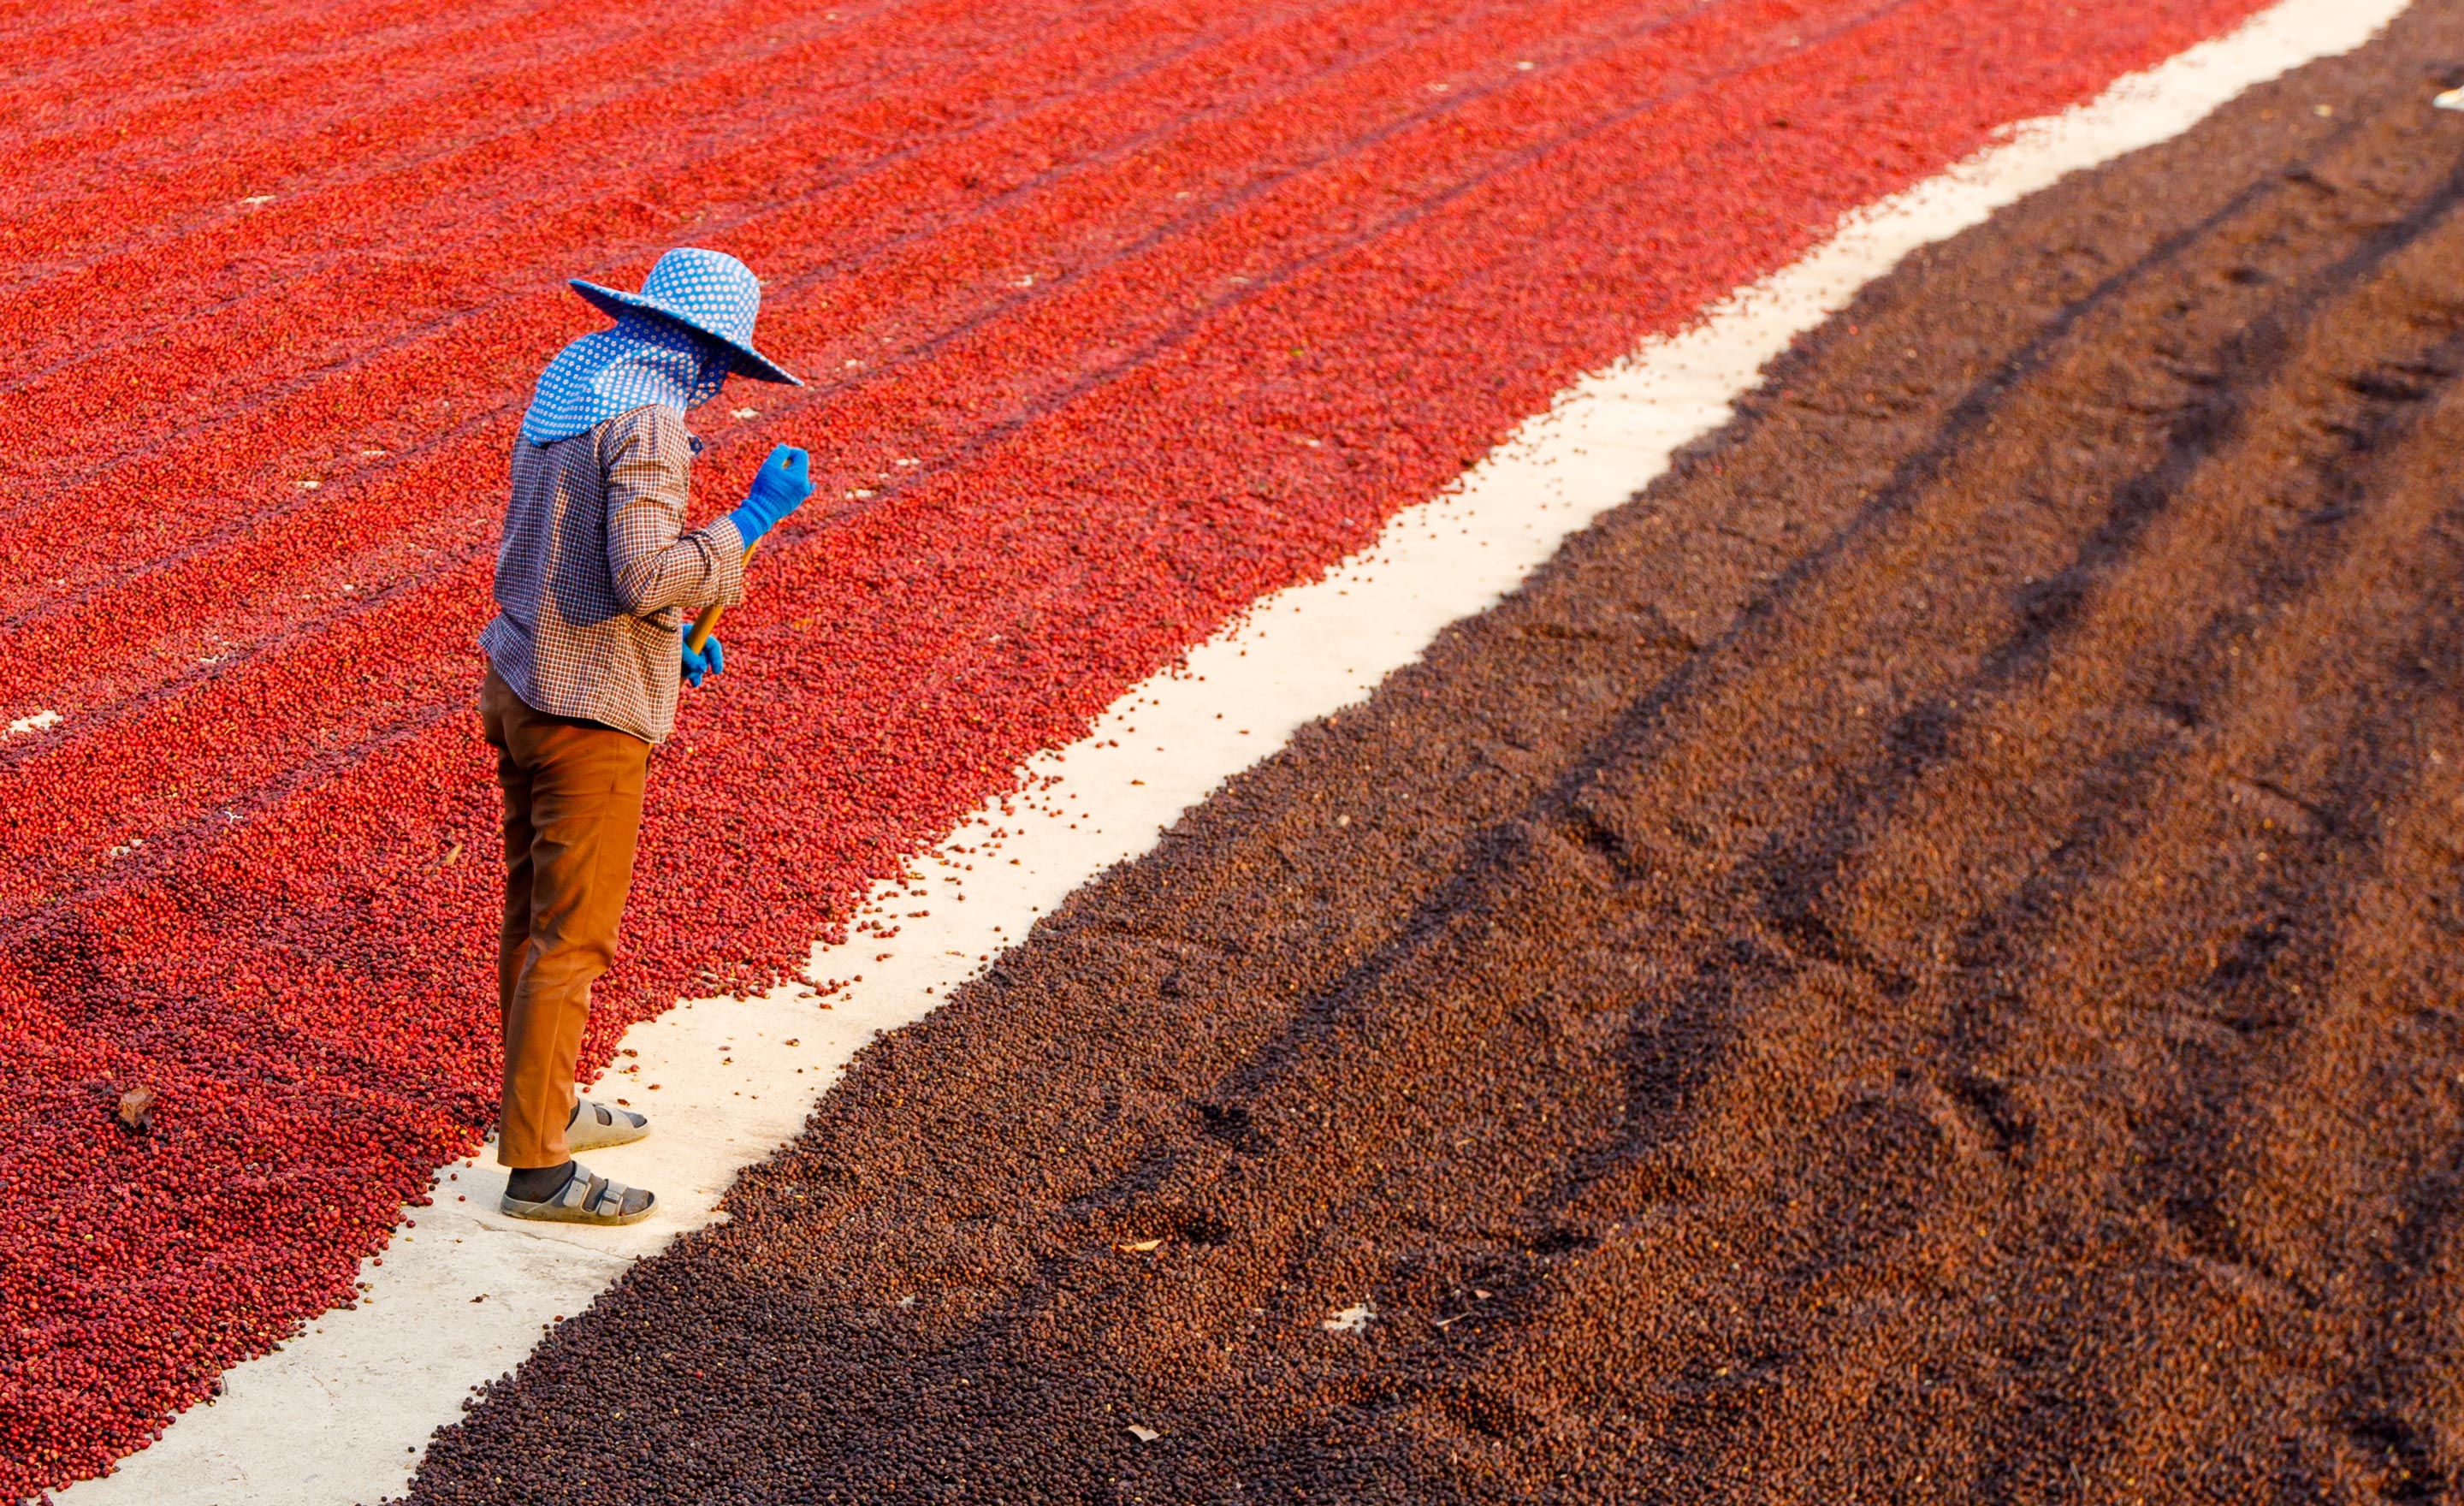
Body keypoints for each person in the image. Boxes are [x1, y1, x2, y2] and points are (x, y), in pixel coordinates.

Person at [477, 246, 811, 1225]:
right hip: (588, 714)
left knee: (530, 912)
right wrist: (749, 521)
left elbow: (562, 548)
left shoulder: (569, 383)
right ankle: (539, 1170)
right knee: (572, 939)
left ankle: (545, 1105)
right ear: (704, 348)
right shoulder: (653, 422)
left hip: (520, 675)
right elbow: (644, 576)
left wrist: (669, 644)